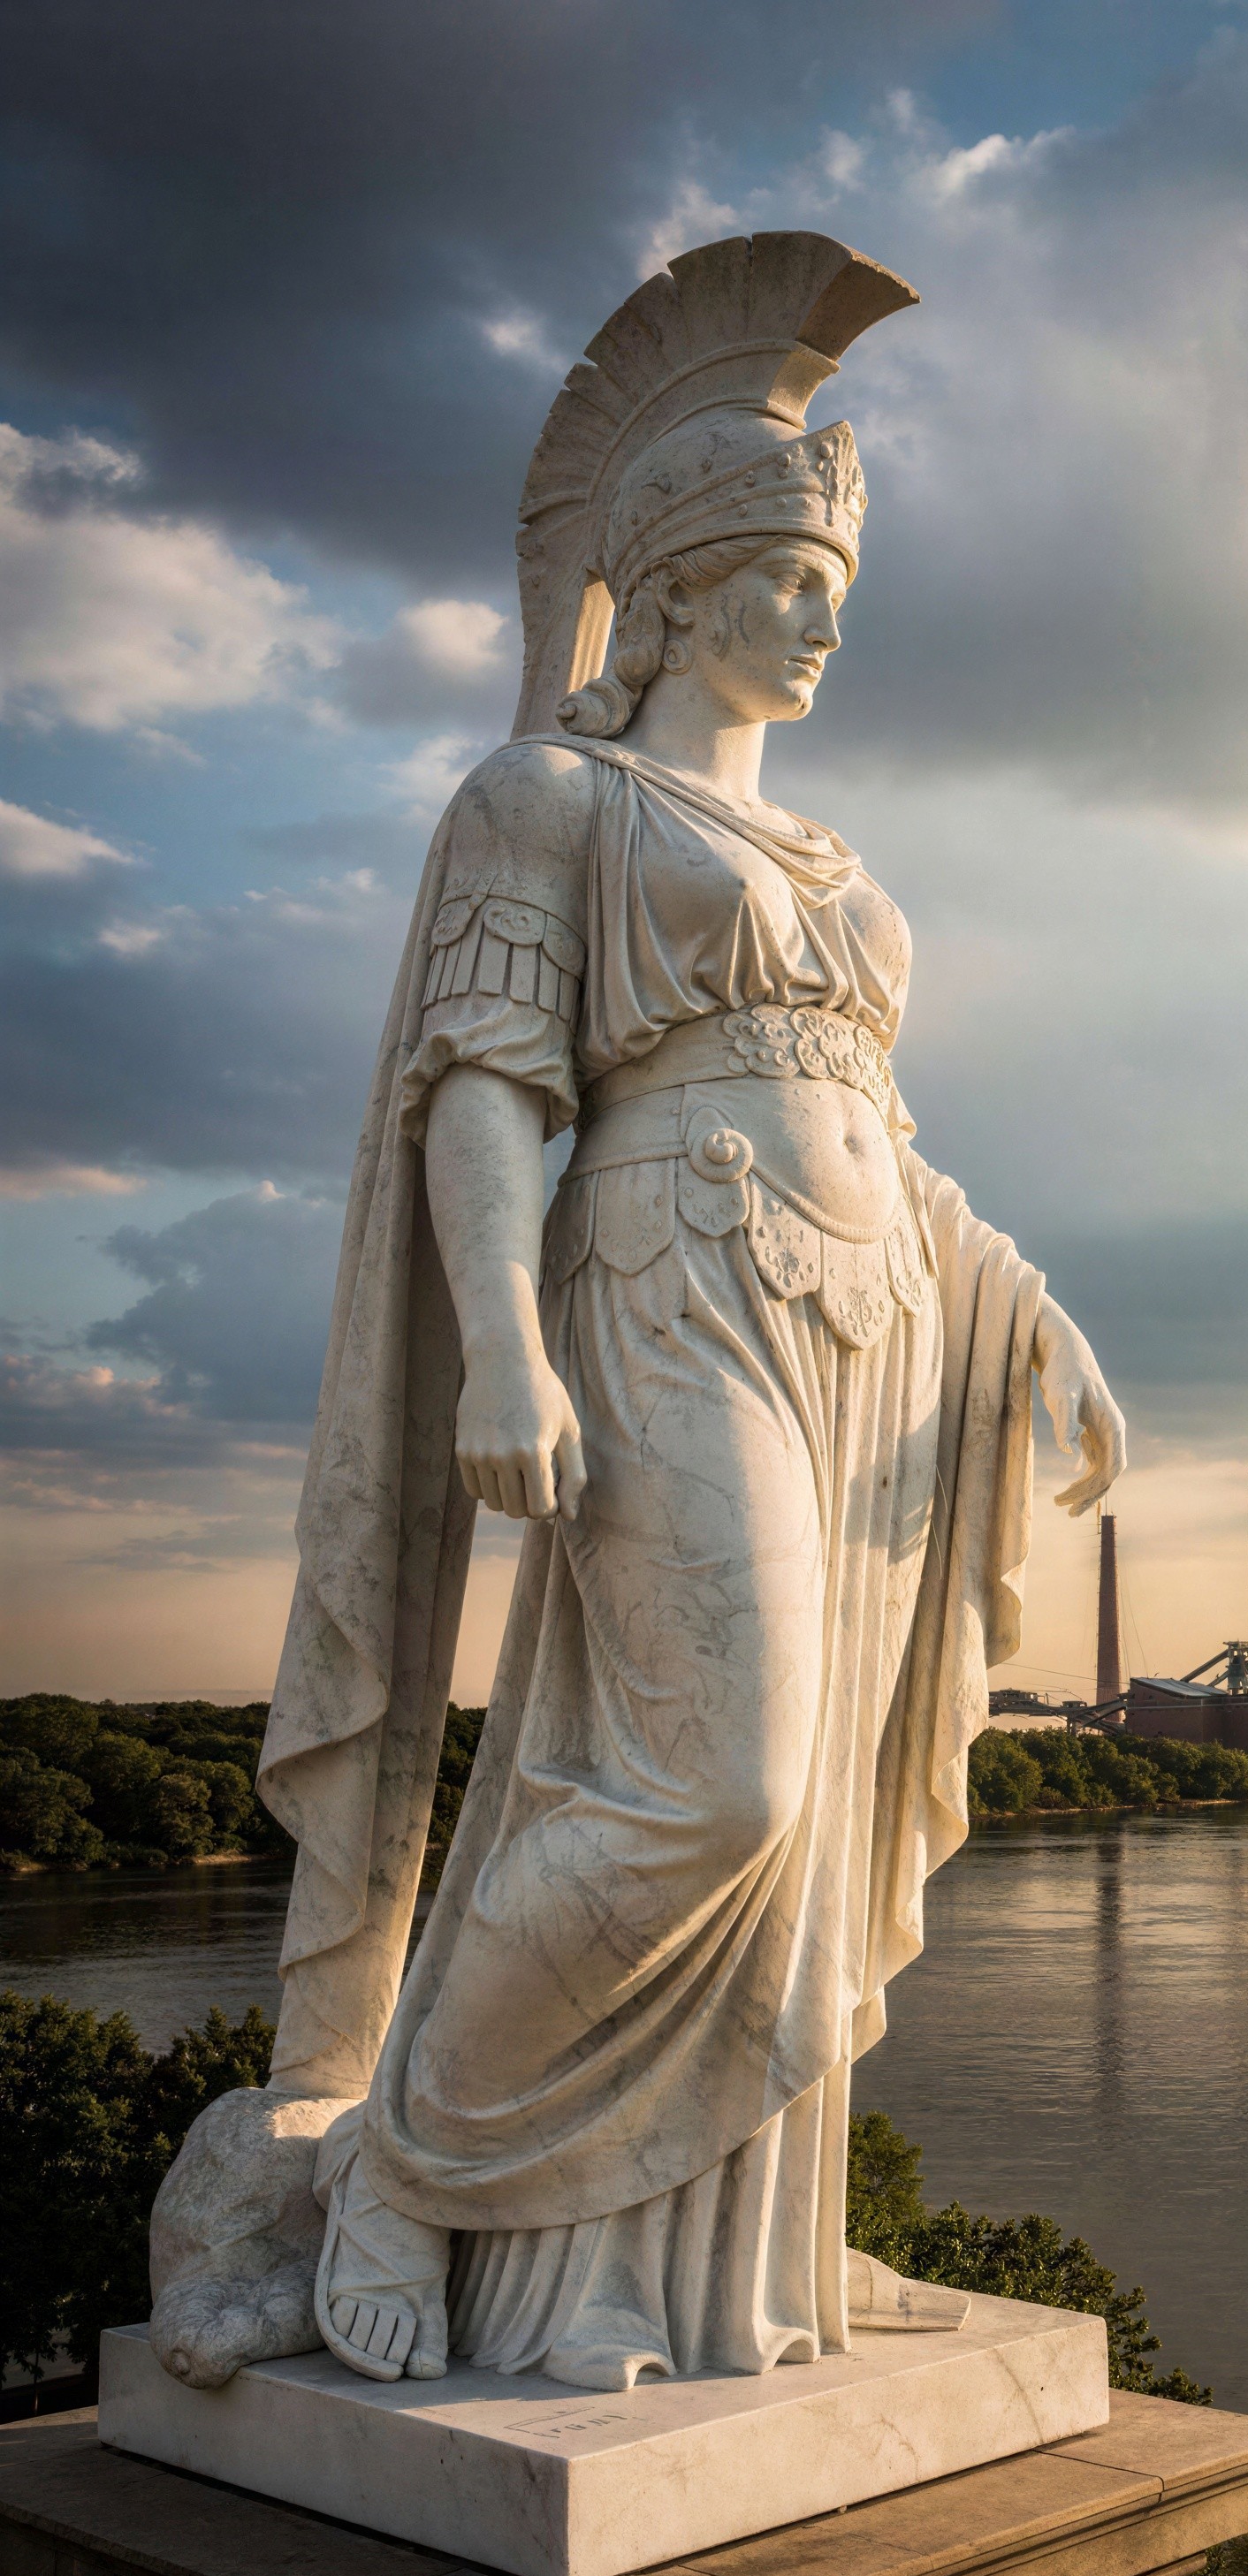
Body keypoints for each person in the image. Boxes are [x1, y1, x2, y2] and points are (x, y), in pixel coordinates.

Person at [247, 233, 1122, 2393]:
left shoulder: (829, 863)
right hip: (663, 1291)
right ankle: (409, 2167)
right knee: (711, 1789)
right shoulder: (543, 802)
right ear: (683, 578)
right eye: (794, 579)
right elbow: (482, 1093)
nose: (828, 620)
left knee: (809, 1818)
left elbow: (880, 1128)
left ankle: (739, 2272)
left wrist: (1020, 1304)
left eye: (839, 585)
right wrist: (508, 1344)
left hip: (875, 1330)